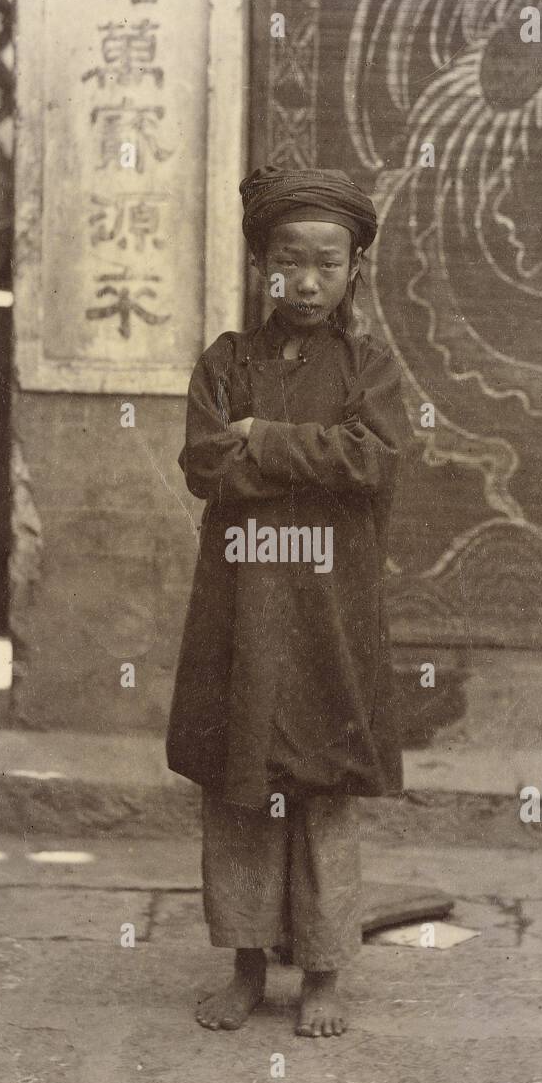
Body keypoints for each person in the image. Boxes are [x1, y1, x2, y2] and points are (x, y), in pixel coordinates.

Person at [166, 165, 408, 1037]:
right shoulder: (226, 363)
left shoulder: (370, 368)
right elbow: (205, 466)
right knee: (240, 790)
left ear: (353, 271)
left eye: (327, 263)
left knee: (323, 790)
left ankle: (323, 976)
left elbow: (370, 461)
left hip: (328, 613)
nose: (306, 281)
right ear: (261, 264)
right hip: (242, 609)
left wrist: (264, 439)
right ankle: (243, 969)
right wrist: (307, 453)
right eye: (288, 261)